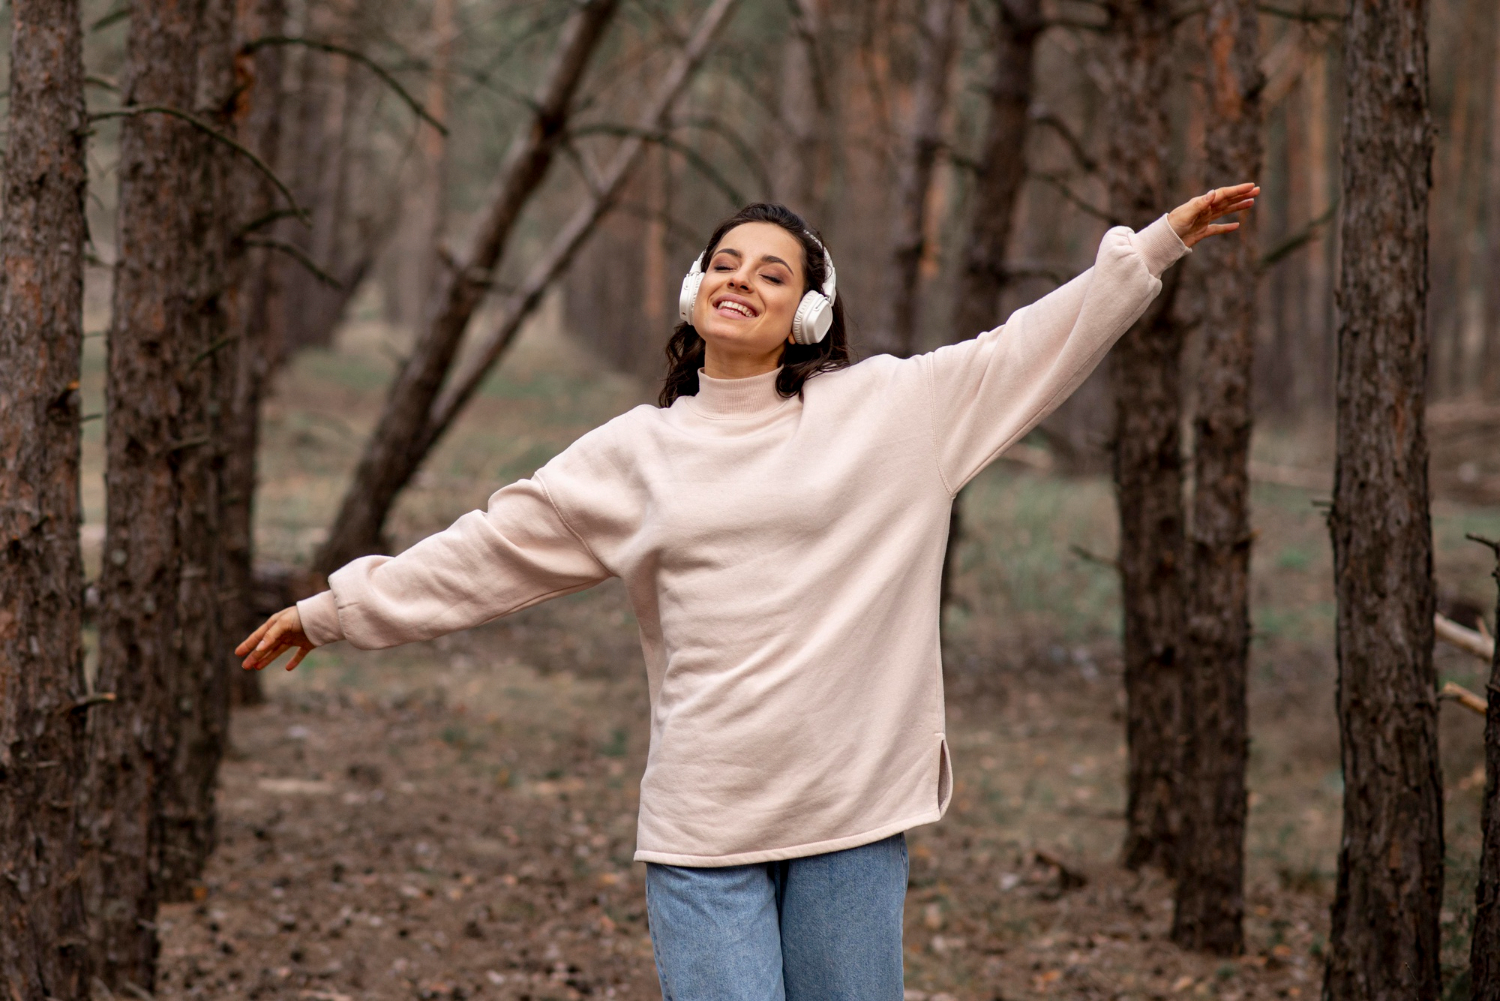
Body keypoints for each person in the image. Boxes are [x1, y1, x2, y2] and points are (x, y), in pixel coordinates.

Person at [238, 185, 1257, 1001]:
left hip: (849, 815)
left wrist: (1153, 247)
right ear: (692, 289)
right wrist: (334, 610)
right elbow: (488, 551)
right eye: (724, 263)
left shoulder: (888, 413)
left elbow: (1028, 347)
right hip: (703, 826)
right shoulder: (636, 452)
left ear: (808, 310)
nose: (741, 280)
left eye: (772, 272)